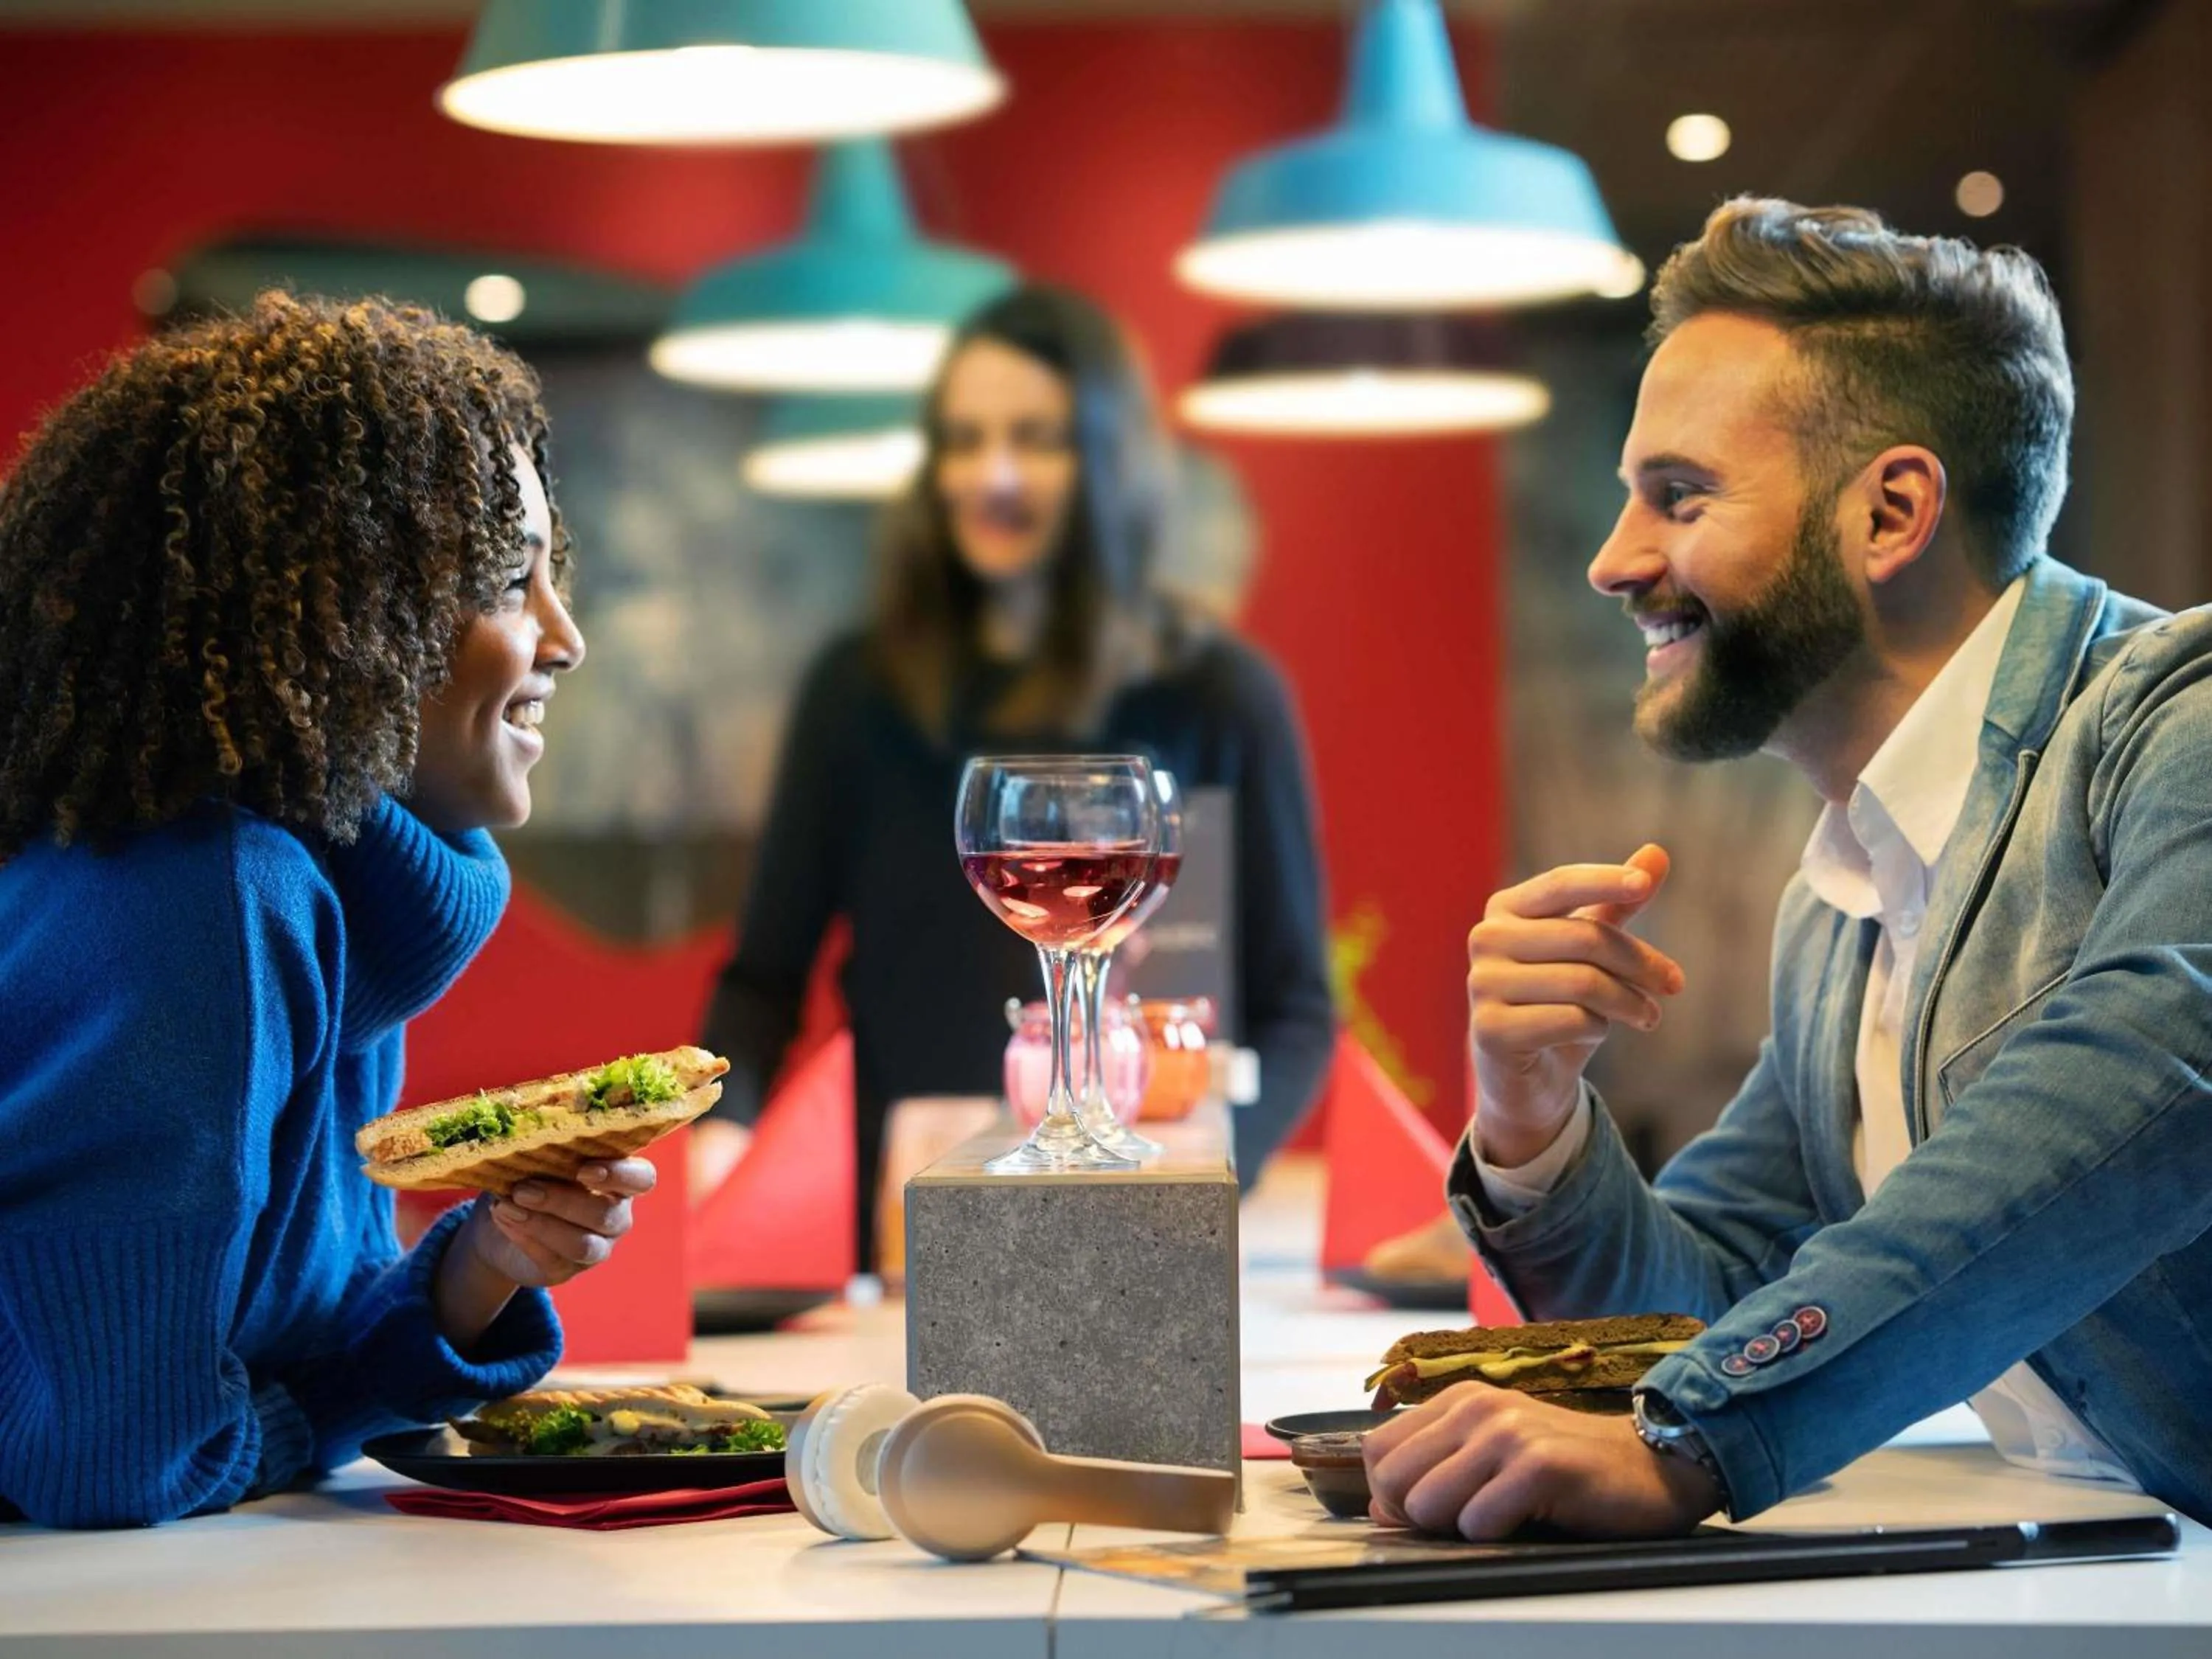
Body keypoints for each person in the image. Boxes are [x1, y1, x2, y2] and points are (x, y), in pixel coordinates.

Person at [1366, 198, 2212, 1539]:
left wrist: (1708, 1438)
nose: (1613, 559)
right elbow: (1695, 1321)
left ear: (1891, 511)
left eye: (1678, 496)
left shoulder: (2183, 719)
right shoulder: (1842, 904)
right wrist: (1533, 1120)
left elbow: (2157, 1082)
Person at [0, 292, 647, 1528]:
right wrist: (300, 1421)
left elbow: (271, 1350)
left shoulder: (327, 881)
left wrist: (479, 1269)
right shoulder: (202, 896)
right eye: (509, 581)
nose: (564, 638)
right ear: (342, 612)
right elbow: (116, 1460)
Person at [697, 285, 1335, 1263]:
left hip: (1144, 1230)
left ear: (1109, 458)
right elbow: (762, 980)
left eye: (1036, 437)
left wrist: (1194, 1178)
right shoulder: (856, 691)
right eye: (963, 439)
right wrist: (723, 1137)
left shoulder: (1225, 695)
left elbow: (1297, 1010)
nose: (991, 474)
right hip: (908, 1232)